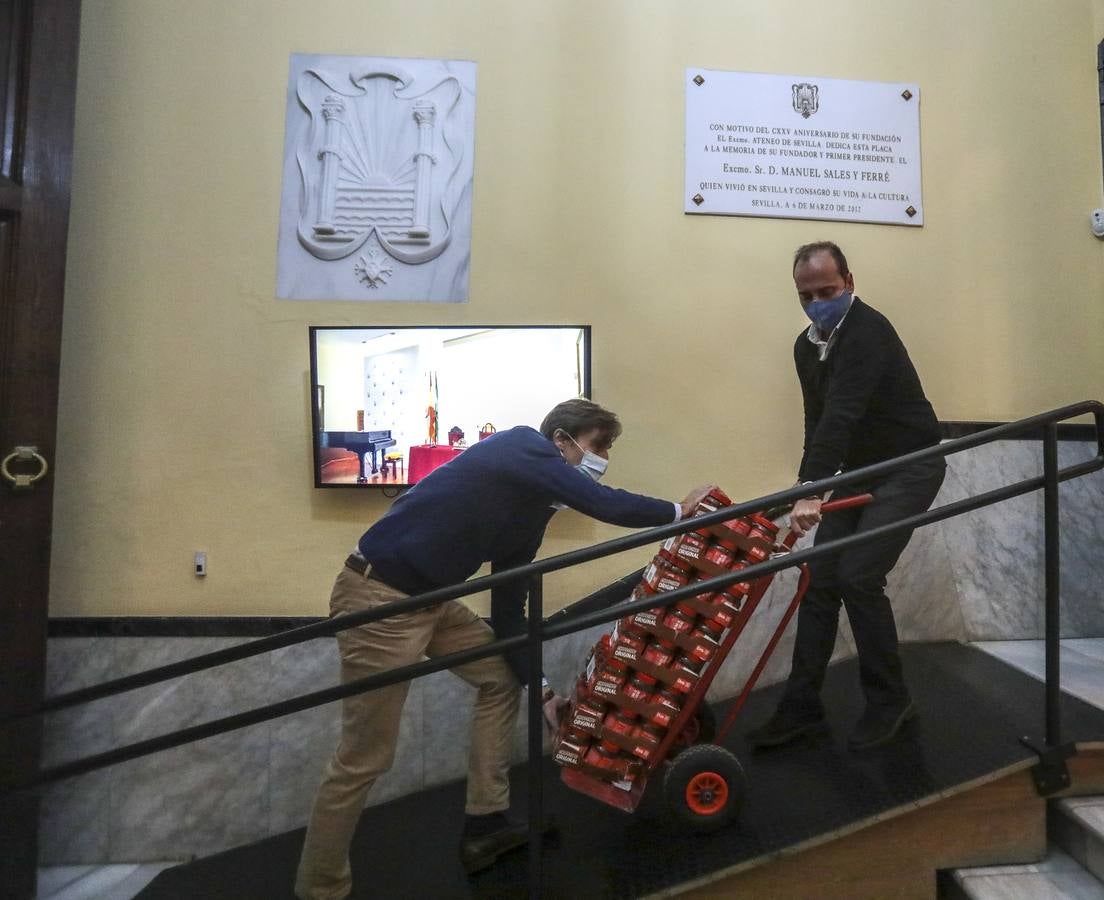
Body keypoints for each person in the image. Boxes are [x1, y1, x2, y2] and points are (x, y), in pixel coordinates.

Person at [295, 399, 714, 898]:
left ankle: (485, 823)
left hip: (431, 601)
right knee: (364, 758)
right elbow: (603, 502)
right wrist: (677, 512)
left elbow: (511, 612)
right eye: (599, 446)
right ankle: (319, 889)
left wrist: (542, 694)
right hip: (379, 599)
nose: (603, 459)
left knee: (499, 679)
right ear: (561, 440)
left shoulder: (528, 515)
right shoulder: (520, 443)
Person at [747, 241, 946, 753]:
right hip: (862, 471)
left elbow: (843, 412)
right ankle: (801, 708)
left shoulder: (868, 331)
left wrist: (812, 490)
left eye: (827, 291)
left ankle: (889, 701)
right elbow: (818, 423)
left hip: (909, 466)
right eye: (806, 295)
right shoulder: (805, 346)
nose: (818, 303)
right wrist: (804, 489)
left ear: (850, 282)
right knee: (819, 580)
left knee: (859, 576)